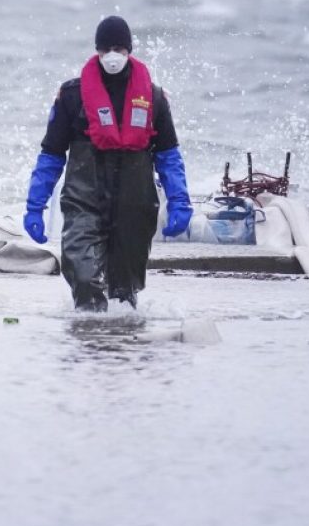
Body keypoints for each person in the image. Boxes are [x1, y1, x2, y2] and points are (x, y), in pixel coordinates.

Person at [23, 16, 192, 311]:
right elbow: (50, 155)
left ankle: (115, 344)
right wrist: (35, 205)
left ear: (129, 51)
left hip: (134, 207)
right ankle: (87, 338)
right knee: (85, 278)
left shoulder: (153, 98)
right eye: (106, 49)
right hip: (83, 201)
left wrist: (179, 202)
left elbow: (168, 157)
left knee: (124, 293)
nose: (112, 55)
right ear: (97, 51)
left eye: (119, 48)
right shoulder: (72, 97)